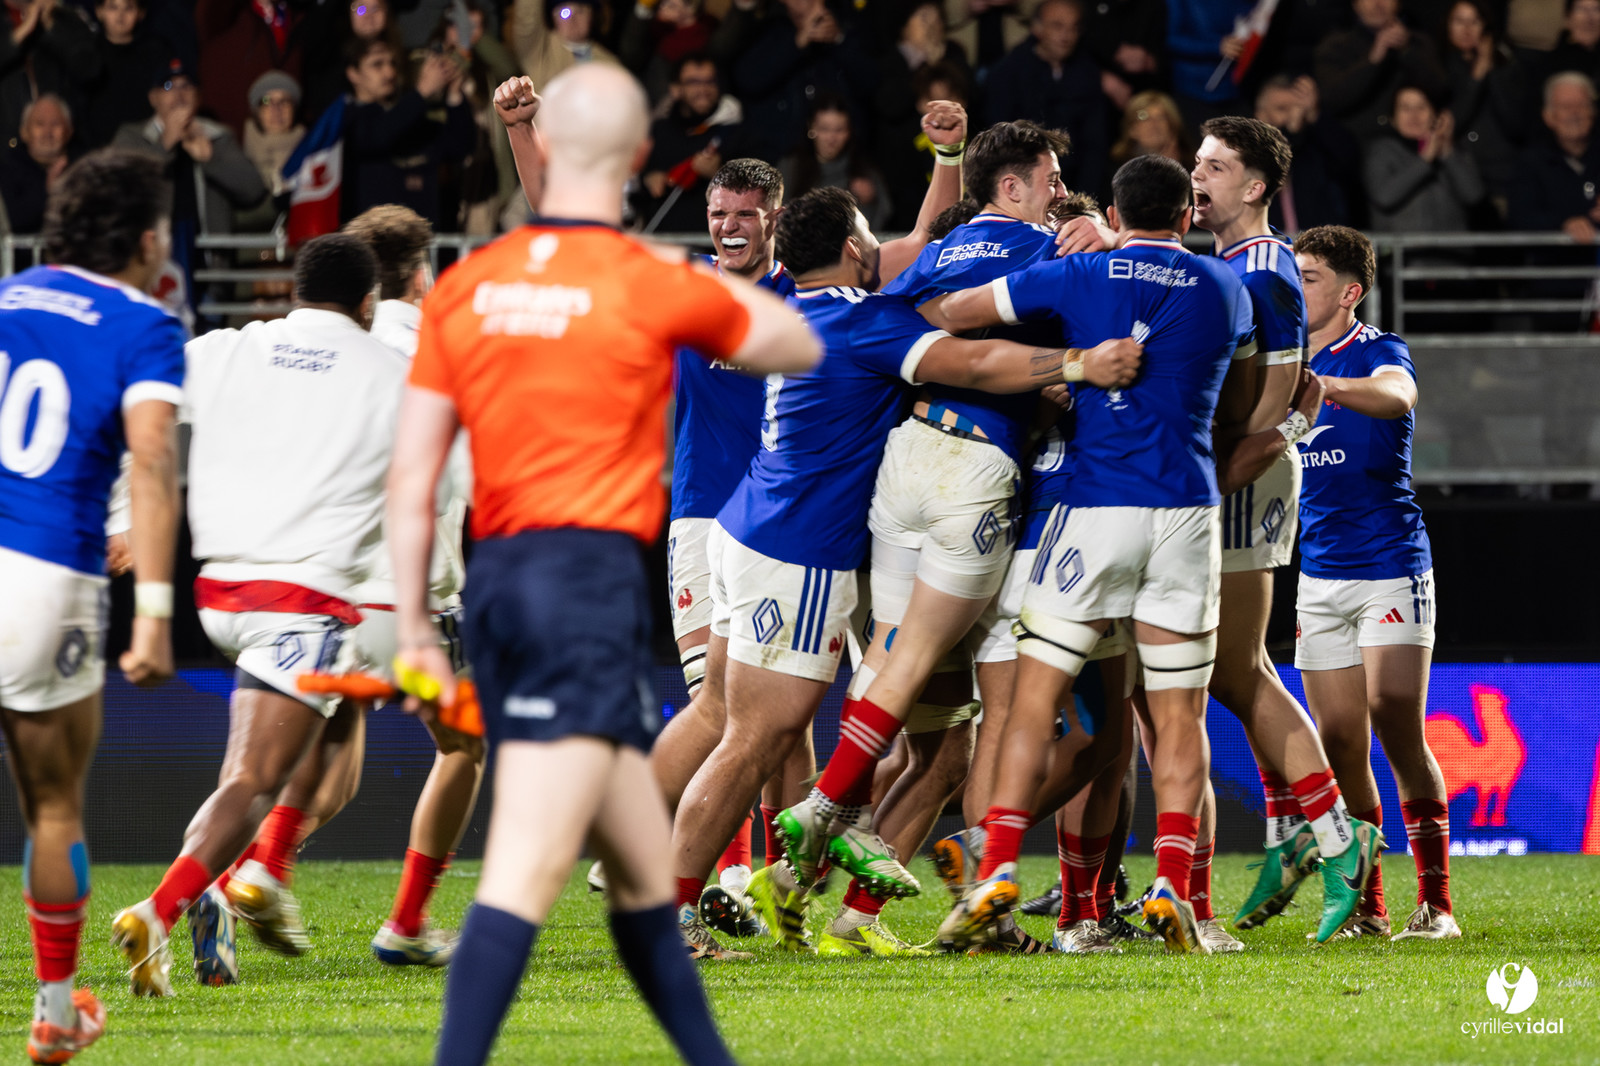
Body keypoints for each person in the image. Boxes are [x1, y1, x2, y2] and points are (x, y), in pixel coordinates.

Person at [392, 66, 819, 1066]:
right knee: (526, 866)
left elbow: (411, 475)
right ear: (634, 163)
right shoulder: (651, 282)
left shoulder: (470, 285)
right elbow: (796, 340)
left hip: (503, 580)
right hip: (583, 586)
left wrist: (415, 623)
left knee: (640, 880)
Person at [669, 154, 1143, 961]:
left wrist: (949, 167)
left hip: (755, 525)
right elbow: (973, 361)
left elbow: (926, 251)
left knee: (894, 734)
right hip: (804, 545)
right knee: (753, 738)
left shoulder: (812, 307)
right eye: (869, 239)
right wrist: (1073, 364)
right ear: (854, 249)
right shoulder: (864, 317)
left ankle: (821, 892)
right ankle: (682, 903)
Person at [916, 154, 1256, 955]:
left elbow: (952, 312)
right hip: (1186, 510)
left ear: (1115, 209)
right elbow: (1238, 407)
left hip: (1094, 510)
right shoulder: (1225, 287)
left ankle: (996, 863)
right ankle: (1175, 885)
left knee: (1033, 701)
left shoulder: (1077, 274)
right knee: (1177, 717)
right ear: (1184, 214)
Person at [108, 233, 407, 996]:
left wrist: (119, 517)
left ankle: (210, 898)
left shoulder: (224, 347)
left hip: (219, 592)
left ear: (293, 288)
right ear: (369, 304)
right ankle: (159, 909)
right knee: (258, 781)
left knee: (261, 776)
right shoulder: (390, 370)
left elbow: (141, 419)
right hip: (300, 603)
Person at [0, 148, 181, 1064]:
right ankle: (57, 1012)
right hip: (45, 578)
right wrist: (153, 610)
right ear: (147, 239)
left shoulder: (8, 295)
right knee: (54, 808)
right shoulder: (144, 322)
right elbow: (151, 461)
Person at [1190, 115, 1383, 946]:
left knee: (1233, 674)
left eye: (1215, 167)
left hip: (1243, 476)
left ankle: (1338, 839)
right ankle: (1300, 835)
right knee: (1235, 670)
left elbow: (1278, 389)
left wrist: (1240, 459)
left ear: (1256, 186)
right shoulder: (1237, 264)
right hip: (1246, 470)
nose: (1198, 179)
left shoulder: (1264, 267)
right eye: (1195, 165)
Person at [1292, 224, 1459, 941]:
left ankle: (1437, 903)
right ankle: (1369, 906)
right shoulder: (1281, 363)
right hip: (1318, 573)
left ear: (1348, 291)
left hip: (1389, 564)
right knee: (1337, 741)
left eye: (1310, 277)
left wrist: (1320, 386)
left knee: (1394, 715)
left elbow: (1398, 396)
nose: (1297, 288)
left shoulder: (1377, 351)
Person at [112, 59, 267, 305]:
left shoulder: (218, 137)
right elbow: (120, 189)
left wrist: (211, 159)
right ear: (153, 98)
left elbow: (253, 191)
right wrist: (165, 146)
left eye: (186, 86)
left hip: (209, 269)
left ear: (198, 96)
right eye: (168, 86)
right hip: (150, 269)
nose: (179, 93)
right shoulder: (132, 137)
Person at [339, 37, 476, 226]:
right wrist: (422, 91)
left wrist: (454, 92)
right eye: (377, 65)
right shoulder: (346, 117)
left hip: (423, 241)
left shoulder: (410, 114)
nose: (389, 72)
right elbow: (376, 137)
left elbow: (460, 147)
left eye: (393, 63)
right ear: (353, 73)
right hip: (373, 240)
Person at [983, 0, 1108, 198]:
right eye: (1058, 26)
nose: (1066, 36)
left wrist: (1084, 200)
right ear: (1037, 28)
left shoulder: (1087, 72)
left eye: (1073, 28)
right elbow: (1001, 140)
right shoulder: (1007, 73)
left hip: (1078, 188)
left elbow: (1095, 144)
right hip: (1024, 190)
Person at [732, 0, 878, 163]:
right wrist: (796, 44)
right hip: (782, 156)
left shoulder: (848, 23)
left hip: (843, 157)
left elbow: (872, 82)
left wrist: (839, 40)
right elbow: (748, 80)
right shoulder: (766, 28)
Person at [638, 54, 746, 233]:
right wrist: (647, 179)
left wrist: (718, 174)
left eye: (710, 82)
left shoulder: (734, 131)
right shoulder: (658, 131)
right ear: (675, 89)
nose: (703, 89)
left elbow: (757, 195)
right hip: (661, 242)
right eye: (693, 82)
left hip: (713, 246)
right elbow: (630, 184)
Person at [1315, 0, 1449, 142]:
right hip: (1357, 145)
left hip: (1413, 145)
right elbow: (1332, 100)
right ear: (1355, 5)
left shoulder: (1418, 43)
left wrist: (1407, 51)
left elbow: (1440, 91)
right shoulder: (1335, 46)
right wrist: (1373, 60)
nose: (1378, 3)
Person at [1363, 85, 1485, 232]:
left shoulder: (1454, 150)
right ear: (1393, 118)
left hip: (1452, 251)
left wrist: (1447, 152)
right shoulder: (1381, 151)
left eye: (1421, 107)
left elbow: (1474, 195)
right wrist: (1426, 159)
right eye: (1405, 108)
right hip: (1402, 252)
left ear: (1436, 114)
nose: (1414, 116)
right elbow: (1384, 197)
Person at [1254, 74, 1363, 232]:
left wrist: (1315, 115)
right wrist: (1292, 134)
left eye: (1297, 108)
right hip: (1268, 249)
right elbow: (1277, 164)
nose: (1293, 116)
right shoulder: (1246, 149)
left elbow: (1348, 159)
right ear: (1260, 114)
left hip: (1316, 248)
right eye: (1282, 109)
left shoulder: (1314, 148)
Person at [0, 0, 102, 148]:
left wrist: (51, 26)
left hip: (64, 142)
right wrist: (22, 32)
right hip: (8, 144)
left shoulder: (65, 16)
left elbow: (89, 69)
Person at [781, 94, 890, 230]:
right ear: (811, 128)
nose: (831, 138)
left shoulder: (863, 170)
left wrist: (869, 202)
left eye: (839, 130)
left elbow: (881, 218)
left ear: (849, 132)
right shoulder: (791, 168)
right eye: (824, 129)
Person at [84, 0, 163, 148]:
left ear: (141, 13)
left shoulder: (155, 52)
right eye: (113, 7)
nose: (120, 15)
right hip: (95, 147)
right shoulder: (86, 53)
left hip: (144, 144)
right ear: (99, 11)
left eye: (129, 8)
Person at [0, 95, 75, 235]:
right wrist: (48, 191)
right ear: (24, 132)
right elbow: (12, 221)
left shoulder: (82, 167)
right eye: (40, 124)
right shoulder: (7, 168)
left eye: (55, 124)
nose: (48, 133)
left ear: (69, 131)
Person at [1111, 90, 1196, 170]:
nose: (1154, 124)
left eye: (1161, 117)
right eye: (1144, 117)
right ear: (1131, 129)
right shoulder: (1118, 167)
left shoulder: (1195, 166)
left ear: (1172, 126)